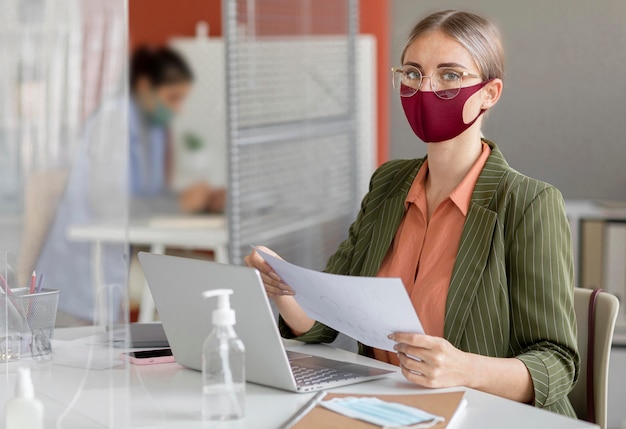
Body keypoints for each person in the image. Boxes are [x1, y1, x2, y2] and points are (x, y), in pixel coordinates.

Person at [245, 10, 579, 417]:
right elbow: (325, 324)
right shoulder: (388, 183)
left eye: (450, 75)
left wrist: (464, 368)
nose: (426, 88)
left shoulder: (528, 203)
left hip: (486, 415)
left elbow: (557, 363)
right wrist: (286, 287)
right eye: (413, 73)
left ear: (489, 93)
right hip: (386, 409)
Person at [129, 46, 225, 213]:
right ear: (144, 86)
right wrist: (178, 204)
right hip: (93, 236)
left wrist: (200, 200)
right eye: (173, 98)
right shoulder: (115, 121)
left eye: (182, 99)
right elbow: (109, 205)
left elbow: (153, 194)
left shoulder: (155, 127)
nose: (179, 109)